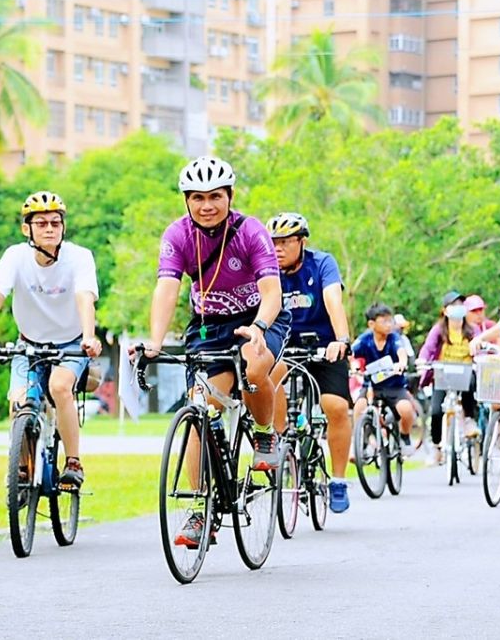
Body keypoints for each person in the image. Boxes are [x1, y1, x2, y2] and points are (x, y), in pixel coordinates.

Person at [143, 155, 289, 548]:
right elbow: (167, 290)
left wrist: (258, 328)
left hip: (259, 318)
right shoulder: (177, 235)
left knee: (255, 368)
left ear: (230, 196)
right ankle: (199, 509)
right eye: (197, 198)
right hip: (209, 325)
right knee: (199, 411)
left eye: (215, 196)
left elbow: (272, 292)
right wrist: (155, 341)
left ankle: (263, 436)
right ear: (186, 201)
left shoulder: (251, 231)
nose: (206, 205)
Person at [0, 192, 102, 489]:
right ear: (26, 229)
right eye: (41, 223)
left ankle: (73, 462)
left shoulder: (80, 257)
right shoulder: (15, 256)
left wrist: (90, 336)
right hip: (28, 344)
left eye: (56, 222)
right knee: (18, 402)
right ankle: (21, 470)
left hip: (70, 343)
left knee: (59, 386)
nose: (50, 229)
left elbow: (85, 298)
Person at [265, 212, 356, 514]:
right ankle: (278, 444)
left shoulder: (322, 264)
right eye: (273, 242)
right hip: (284, 343)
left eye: (285, 242)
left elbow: (333, 300)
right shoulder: (266, 268)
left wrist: (341, 340)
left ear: (301, 241)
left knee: (336, 407)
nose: (277, 248)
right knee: (271, 373)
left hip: (324, 345)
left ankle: (339, 480)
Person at [419, 291, 480, 463]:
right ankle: (437, 446)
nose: (458, 309)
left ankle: (469, 420)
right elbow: (428, 348)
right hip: (443, 373)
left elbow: (480, 347)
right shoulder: (439, 330)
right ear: (445, 310)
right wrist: (422, 360)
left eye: (461, 305)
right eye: (453, 305)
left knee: (470, 383)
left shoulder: (472, 330)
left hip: (465, 371)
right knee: (437, 411)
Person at [352, 303, 416, 453]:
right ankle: (361, 442)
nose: (389, 325)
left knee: (406, 410)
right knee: (359, 407)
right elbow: (351, 354)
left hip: (395, 386)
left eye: (390, 321)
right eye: (384, 321)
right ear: (371, 324)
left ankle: (404, 437)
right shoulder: (364, 340)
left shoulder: (394, 338)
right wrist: (354, 366)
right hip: (372, 387)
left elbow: (401, 352)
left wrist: (401, 364)